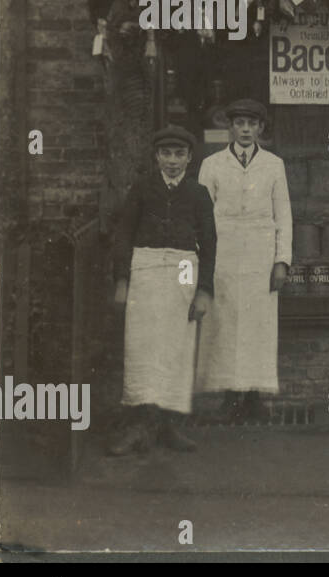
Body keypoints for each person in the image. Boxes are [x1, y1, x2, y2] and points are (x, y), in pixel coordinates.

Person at [108, 125, 217, 455]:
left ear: (189, 157)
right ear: (156, 157)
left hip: (184, 267)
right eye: (166, 154)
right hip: (146, 266)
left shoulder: (198, 194)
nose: (172, 161)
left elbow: (210, 244)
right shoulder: (142, 189)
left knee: (176, 341)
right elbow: (124, 234)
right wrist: (123, 280)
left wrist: (203, 291)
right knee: (142, 343)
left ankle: (168, 425)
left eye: (179, 154)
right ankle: (139, 424)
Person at [196, 99, 292, 424]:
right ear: (231, 127)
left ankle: (254, 396)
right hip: (223, 254)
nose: (246, 129)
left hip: (260, 257)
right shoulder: (212, 165)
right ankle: (229, 395)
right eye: (240, 123)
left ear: (261, 128)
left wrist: (282, 261)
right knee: (223, 323)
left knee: (258, 325)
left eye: (252, 123)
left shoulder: (274, 165)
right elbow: (201, 216)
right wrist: (202, 260)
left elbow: (285, 216)